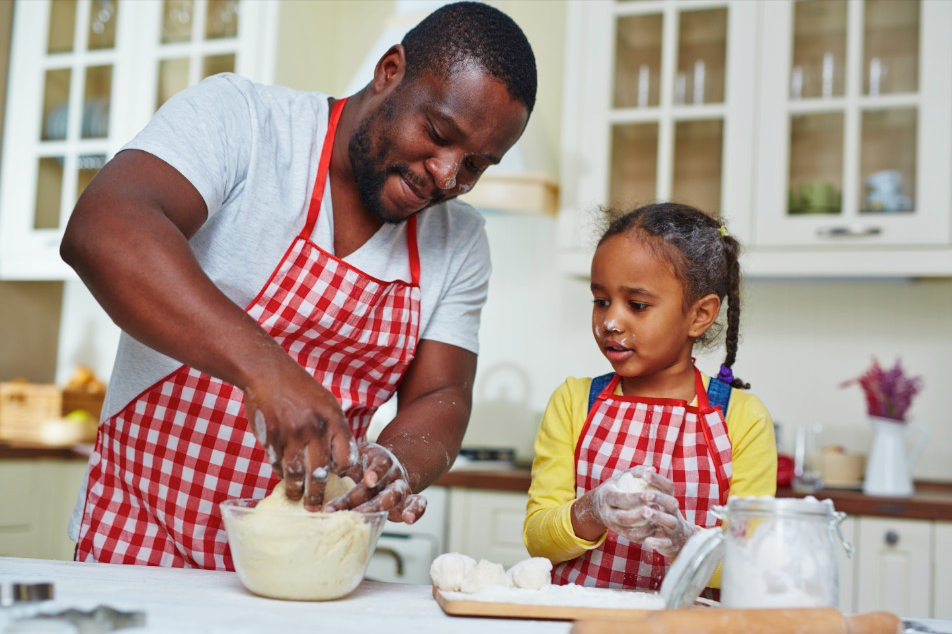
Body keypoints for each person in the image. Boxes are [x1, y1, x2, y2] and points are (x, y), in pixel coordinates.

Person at [60, 1, 536, 569]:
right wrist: (269, 372)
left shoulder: (459, 242)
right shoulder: (244, 122)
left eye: (477, 165)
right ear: (389, 71)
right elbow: (103, 228)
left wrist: (395, 464)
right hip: (137, 542)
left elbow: (441, 395)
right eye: (436, 132)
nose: (447, 175)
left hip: (306, 573)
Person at [523, 202, 777, 592]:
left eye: (637, 305)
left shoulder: (741, 418)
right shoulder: (575, 401)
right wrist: (593, 509)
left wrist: (685, 543)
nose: (610, 321)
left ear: (699, 315)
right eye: (601, 300)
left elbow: (751, 558)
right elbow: (538, 539)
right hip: (581, 620)